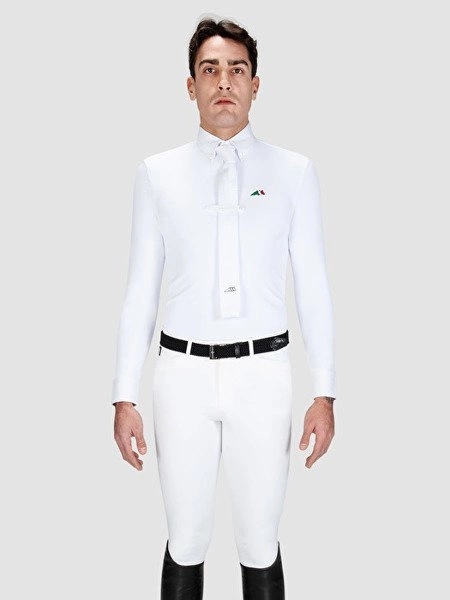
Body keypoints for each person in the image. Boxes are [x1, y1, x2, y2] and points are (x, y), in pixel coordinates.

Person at [111, 16, 336, 600]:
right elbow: (140, 288)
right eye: (209, 70)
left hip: (264, 375)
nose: (224, 82)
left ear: (255, 84)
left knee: (260, 542)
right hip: (180, 376)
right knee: (185, 539)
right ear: (191, 86)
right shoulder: (157, 175)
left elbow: (313, 285)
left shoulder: (294, 173)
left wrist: (325, 392)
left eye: (237, 70)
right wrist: (123, 395)